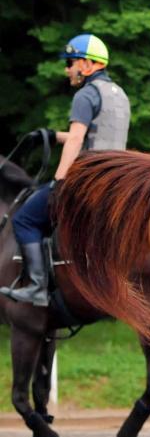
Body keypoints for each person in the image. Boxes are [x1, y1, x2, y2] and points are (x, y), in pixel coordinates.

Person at [0, 33, 130, 306]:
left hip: (87, 182)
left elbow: (77, 139)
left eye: (71, 62)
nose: (67, 69)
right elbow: (98, 135)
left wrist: (61, 181)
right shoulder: (118, 95)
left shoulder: (86, 94)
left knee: (24, 219)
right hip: (116, 181)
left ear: (88, 64)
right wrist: (50, 135)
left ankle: (36, 286)